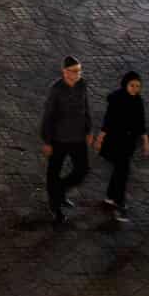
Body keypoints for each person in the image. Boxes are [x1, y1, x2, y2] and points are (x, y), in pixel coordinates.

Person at [41, 56, 92, 223]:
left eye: (79, 71)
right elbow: (48, 116)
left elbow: (86, 107)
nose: (78, 74)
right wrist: (47, 141)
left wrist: (88, 129)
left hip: (78, 137)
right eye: (74, 71)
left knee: (82, 170)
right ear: (65, 71)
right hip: (59, 138)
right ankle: (55, 206)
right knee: (53, 172)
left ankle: (60, 190)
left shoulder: (82, 84)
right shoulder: (56, 89)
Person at [96, 71, 149, 222]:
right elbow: (108, 121)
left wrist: (145, 141)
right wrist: (100, 138)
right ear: (125, 84)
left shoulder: (138, 101)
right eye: (132, 85)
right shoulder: (116, 100)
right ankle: (120, 204)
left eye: (138, 86)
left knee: (120, 171)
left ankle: (110, 197)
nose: (135, 89)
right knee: (122, 172)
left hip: (128, 143)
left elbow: (141, 123)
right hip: (115, 141)